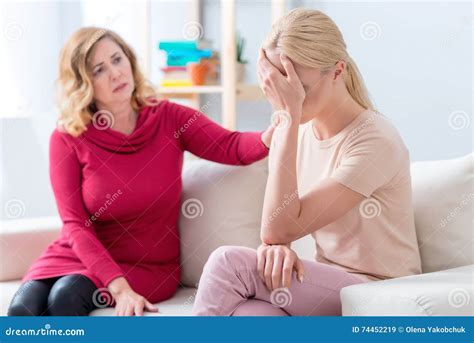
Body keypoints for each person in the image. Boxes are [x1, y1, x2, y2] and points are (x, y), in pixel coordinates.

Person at [7, 27, 274, 316]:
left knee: (65, 297)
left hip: (145, 266)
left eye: (117, 60)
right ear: (84, 84)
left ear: (130, 61)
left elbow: (230, 146)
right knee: (23, 309)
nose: (115, 74)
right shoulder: (68, 137)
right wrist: (117, 287)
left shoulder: (170, 118)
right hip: (76, 256)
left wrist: (274, 134)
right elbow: (75, 224)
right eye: (99, 70)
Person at [193, 8, 422, 316]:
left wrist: (287, 118)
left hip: (378, 292)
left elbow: (277, 228)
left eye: (300, 89)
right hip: (327, 286)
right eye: (281, 87)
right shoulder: (299, 132)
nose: (291, 99)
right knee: (248, 315)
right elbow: (280, 230)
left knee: (228, 264)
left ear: (338, 71)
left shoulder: (375, 139)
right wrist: (278, 250)